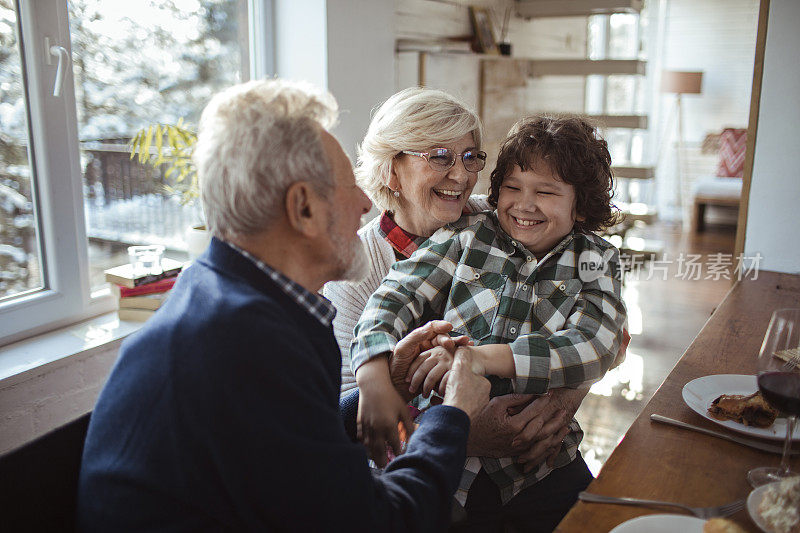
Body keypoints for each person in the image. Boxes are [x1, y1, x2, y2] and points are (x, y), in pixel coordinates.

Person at [76, 79, 492, 532]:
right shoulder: (246, 343)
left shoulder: (227, 294)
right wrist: (454, 416)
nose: (363, 202)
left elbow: (285, 439)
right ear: (302, 208)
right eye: (346, 187)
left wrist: (388, 384)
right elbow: (379, 522)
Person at [352, 115, 628, 531]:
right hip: (452, 463)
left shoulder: (597, 260)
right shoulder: (466, 234)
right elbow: (393, 296)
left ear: (582, 204)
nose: (524, 204)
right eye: (512, 188)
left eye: (546, 192)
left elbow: (597, 344)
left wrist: (482, 359)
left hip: (542, 463)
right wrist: (373, 367)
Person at [323, 89, 586, 481]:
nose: (462, 175)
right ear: (391, 169)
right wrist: (464, 434)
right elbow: (352, 416)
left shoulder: (502, 219)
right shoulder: (353, 270)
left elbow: (604, 326)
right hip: (426, 471)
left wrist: (559, 406)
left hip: (535, 452)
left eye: (469, 156)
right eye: (439, 157)